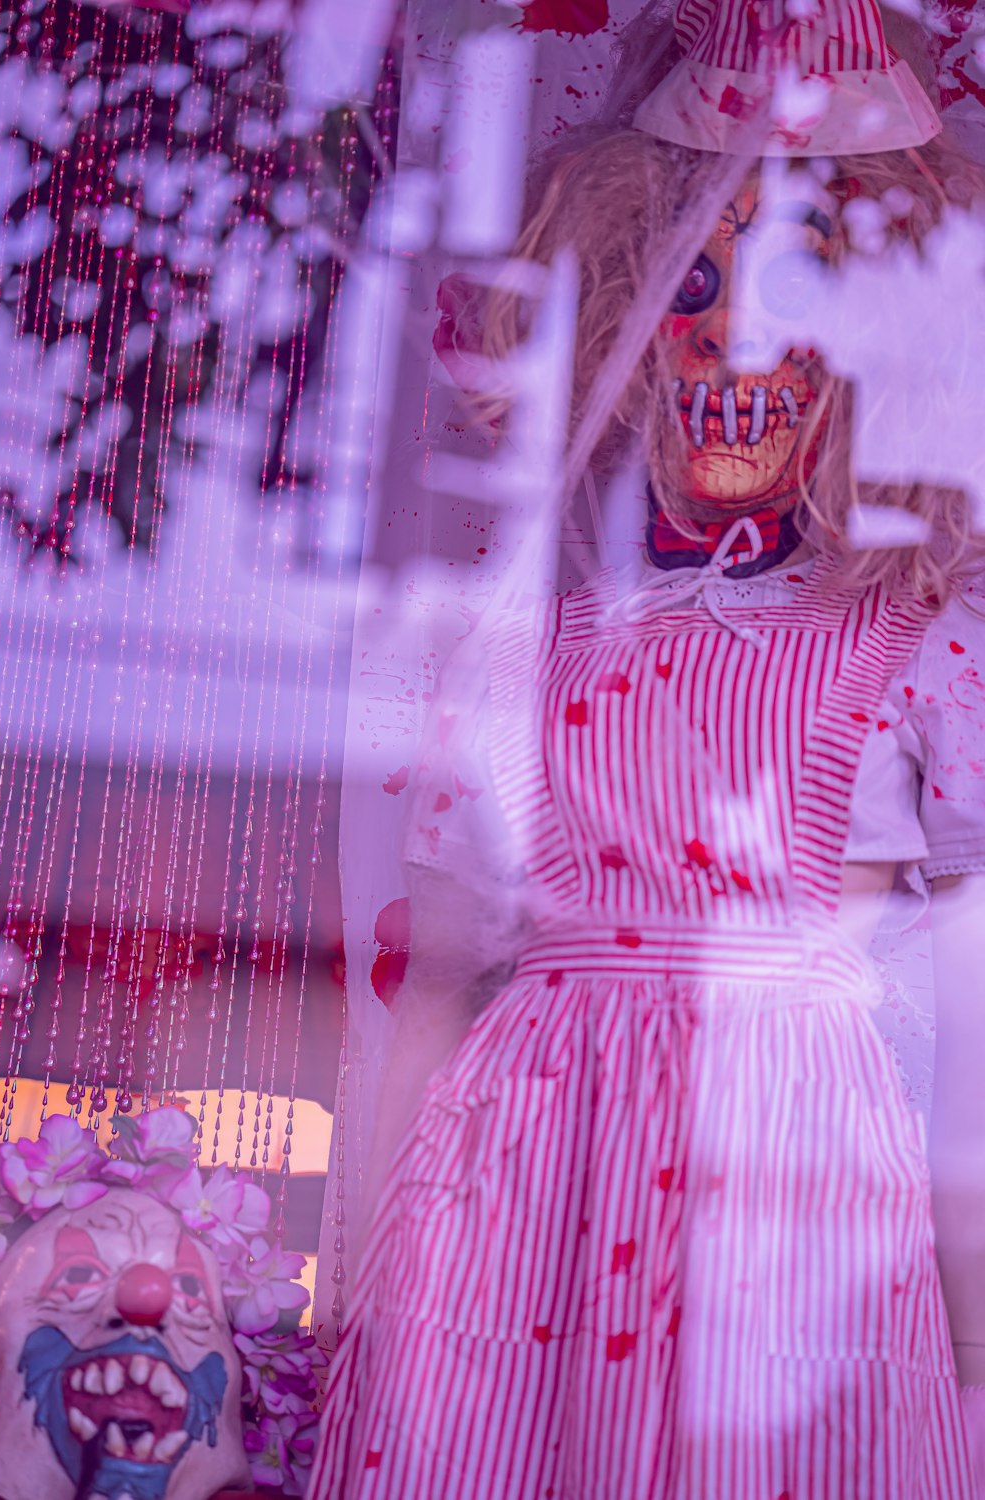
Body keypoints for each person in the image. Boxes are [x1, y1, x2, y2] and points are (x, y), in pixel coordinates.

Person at [309, 1, 985, 1495]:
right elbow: (437, 979)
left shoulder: (923, 632)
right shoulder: (513, 630)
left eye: (807, 276)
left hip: (787, 1153)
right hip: (532, 1155)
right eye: (695, 272)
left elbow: (970, 994)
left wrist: (972, 1322)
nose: (742, 329)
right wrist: (362, 1288)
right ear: (612, 307)